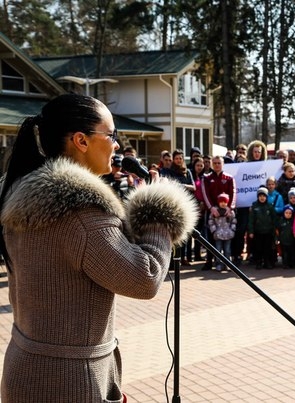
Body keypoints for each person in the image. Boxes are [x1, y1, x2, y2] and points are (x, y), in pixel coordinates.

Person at [0, 94, 198, 402]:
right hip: (71, 380)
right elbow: (144, 278)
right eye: (112, 135)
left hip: (25, 366)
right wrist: (160, 216)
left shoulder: (21, 195)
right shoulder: (82, 211)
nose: (117, 145)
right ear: (81, 140)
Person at [201, 156, 236, 271]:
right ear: (211, 164)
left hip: (226, 213)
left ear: (223, 164)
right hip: (212, 213)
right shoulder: (206, 178)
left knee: (227, 240)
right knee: (211, 237)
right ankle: (211, 261)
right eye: (214, 163)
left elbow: (233, 193)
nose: (216, 165)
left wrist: (230, 208)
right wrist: (211, 208)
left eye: (219, 163)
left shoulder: (229, 178)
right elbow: (205, 193)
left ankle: (227, 262)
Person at [248, 187, 277, 269]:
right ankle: (258, 262)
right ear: (258, 197)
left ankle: (267, 262)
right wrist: (251, 231)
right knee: (258, 248)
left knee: (267, 248)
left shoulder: (270, 206)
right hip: (258, 232)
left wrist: (274, 230)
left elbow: (274, 219)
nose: (262, 197)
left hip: (268, 231)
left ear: (266, 197)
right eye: (260, 196)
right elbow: (251, 220)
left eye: (264, 196)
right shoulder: (254, 206)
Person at [207, 193, 237, 271]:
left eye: (225, 202)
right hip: (218, 234)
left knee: (227, 250)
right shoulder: (214, 212)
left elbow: (234, 221)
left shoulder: (230, 212)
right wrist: (214, 231)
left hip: (228, 234)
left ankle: (227, 264)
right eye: (221, 202)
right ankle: (218, 264)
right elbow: (211, 222)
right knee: (218, 250)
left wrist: (232, 230)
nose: (223, 203)